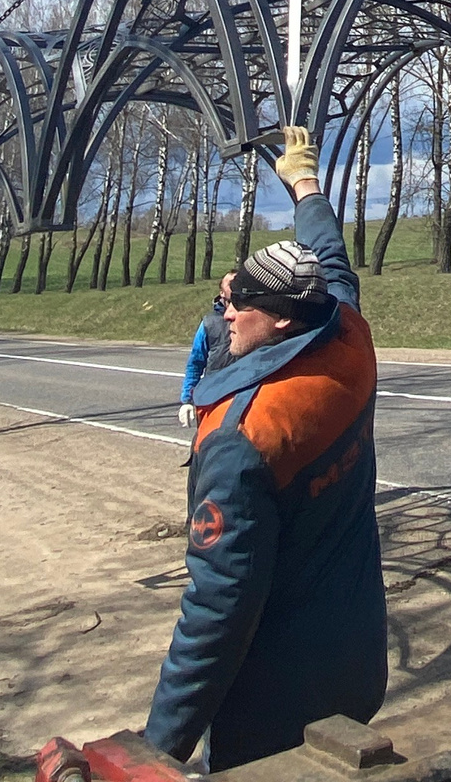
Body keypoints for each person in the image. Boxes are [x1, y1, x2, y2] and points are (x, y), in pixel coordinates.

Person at [143, 129, 385, 771]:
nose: (223, 316)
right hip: (357, 661)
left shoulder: (243, 438)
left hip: (274, 701)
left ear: (278, 319)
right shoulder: (346, 336)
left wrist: (156, 749)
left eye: (235, 305)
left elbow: (218, 609)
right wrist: (302, 180)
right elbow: (331, 261)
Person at [179, 273, 239, 430]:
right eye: (230, 283)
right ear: (221, 292)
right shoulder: (209, 323)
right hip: (214, 395)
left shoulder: (253, 317)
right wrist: (187, 400)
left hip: (244, 395)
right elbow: (196, 363)